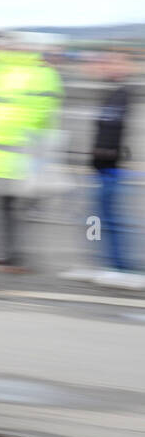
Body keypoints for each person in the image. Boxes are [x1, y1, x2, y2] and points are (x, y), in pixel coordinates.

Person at [0, 34, 63, 269]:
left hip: (7, 154)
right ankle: (12, 256)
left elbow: (36, 114)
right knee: (6, 210)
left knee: (4, 210)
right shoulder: (37, 73)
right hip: (6, 154)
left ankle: (11, 256)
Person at [90, 51, 135, 273]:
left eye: (110, 63)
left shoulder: (121, 94)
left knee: (107, 217)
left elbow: (111, 129)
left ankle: (118, 264)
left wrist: (102, 155)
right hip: (103, 166)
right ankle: (111, 262)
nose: (103, 67)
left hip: (109, 167)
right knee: (101, 216)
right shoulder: (112, 94)